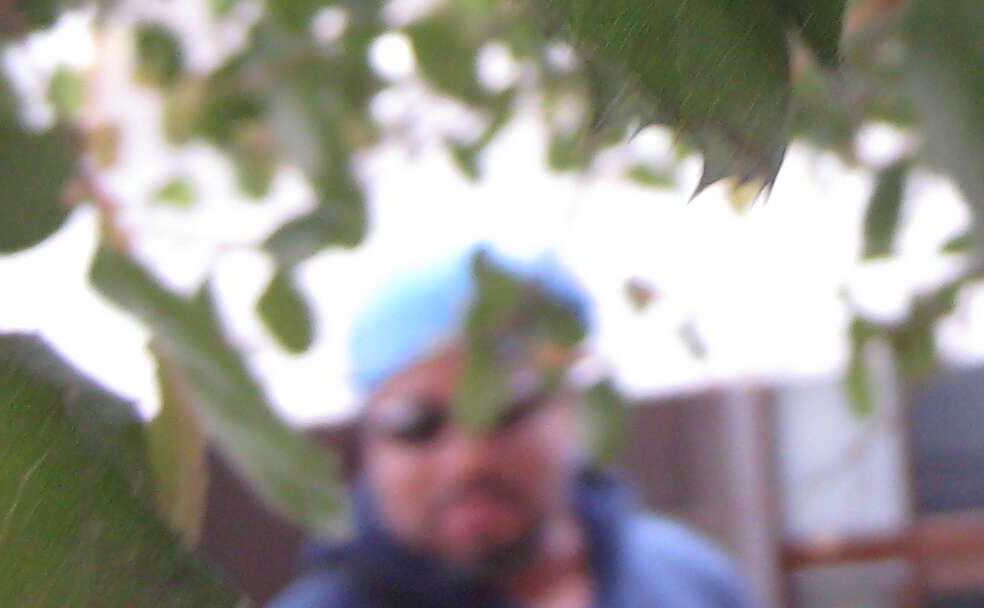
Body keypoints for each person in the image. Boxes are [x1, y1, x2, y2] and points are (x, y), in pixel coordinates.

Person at [272, 246, 759, 608]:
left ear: (568, 408)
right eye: (418, 424)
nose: (469, 459)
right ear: (367, 444)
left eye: (505, 411)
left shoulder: (687, 578)